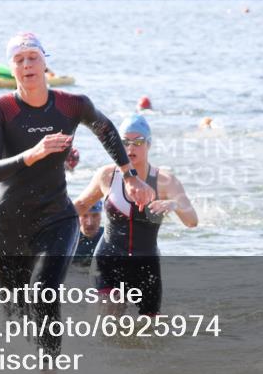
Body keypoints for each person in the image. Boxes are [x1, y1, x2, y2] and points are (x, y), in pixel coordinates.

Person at [0, 31, 154, 374]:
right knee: (15, 311)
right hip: (9, 224)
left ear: (45, 62)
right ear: (12, 68)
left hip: (56, 218)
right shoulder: (1, 109)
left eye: (33, 57)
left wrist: (130, 176)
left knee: (44, 290)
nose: (27, 65)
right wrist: (32, 154)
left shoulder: (71, 105)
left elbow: (106, 130)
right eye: (19, 60)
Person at [73, 114, 197, 316]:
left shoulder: (165, 181)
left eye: (138, 142)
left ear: (148, 144)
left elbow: (192, 221)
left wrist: (174, 204)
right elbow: (79, 205)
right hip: (108, 261)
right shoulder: (107, 175)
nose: (131, 148)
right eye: (125, 142)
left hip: (146, 267)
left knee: (147, 331)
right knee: (107, 324)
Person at [70, 200, 103, 268]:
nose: (90, 223)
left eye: (95, 215)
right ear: (77, 217)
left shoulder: (110, 238)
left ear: (101, 217)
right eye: (84, 216)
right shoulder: (68, 239)